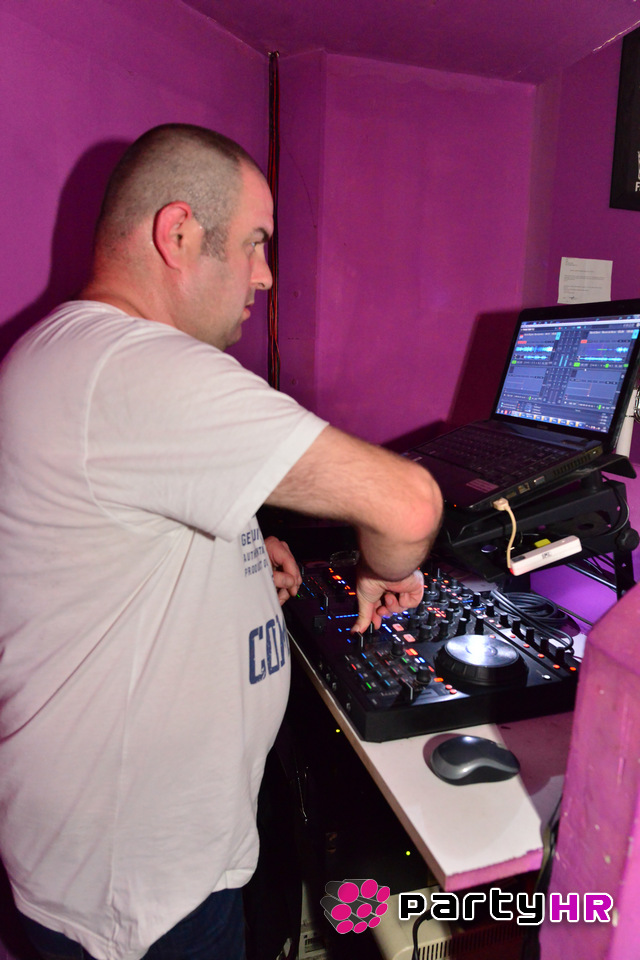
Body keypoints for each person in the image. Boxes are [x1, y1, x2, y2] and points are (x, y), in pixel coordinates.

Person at [0, 124, 442, 960]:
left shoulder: (75, 360)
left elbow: (117, 549)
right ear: (178, 235)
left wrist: (236, 570)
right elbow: (408, 505)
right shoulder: (133, 367)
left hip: (128, 864)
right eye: (254, 243)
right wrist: (380, 571)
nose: (265, 275)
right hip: (140, 897)